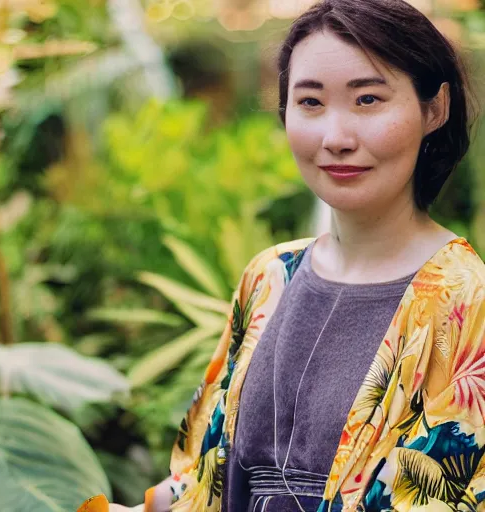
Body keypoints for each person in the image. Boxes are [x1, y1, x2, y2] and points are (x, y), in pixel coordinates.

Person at [79, 0, 485, 510]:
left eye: (367, 100)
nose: (336, 138)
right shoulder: (269, 276)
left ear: (434, 110)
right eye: (311, 102)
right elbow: (206, 478)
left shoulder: (468, 302)